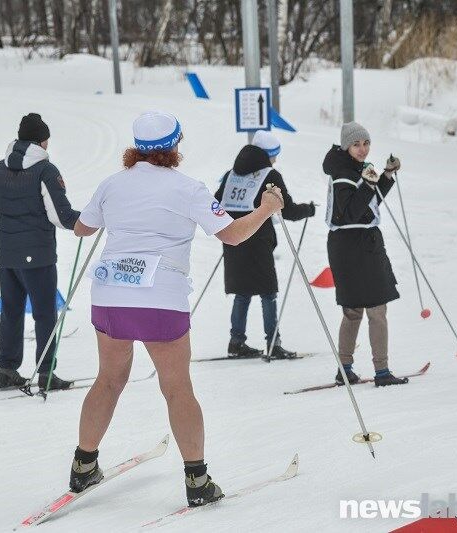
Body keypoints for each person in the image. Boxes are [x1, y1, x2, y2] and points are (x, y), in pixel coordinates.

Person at [70, 111, 284, 506]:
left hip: (110, 294)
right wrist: (267, 207)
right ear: (174, 147)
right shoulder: (188, 188)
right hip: (159, 298)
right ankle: (197, 481)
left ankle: (83, 466)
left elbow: (82, 228)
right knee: (177, 388)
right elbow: (233, 235)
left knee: (109, 380)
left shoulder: (112, 184)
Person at [0, 113, 80, 390]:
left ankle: (7, 368)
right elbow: (60, 215)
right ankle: (46, 372)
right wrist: (86, 222)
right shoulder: (45, 170)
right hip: (38, 254)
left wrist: (13, 230)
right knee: (44, 313)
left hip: (8, 254)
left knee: (11, 311)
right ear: (43, 141)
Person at [214, 131, 315, 360]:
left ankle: (236, 342)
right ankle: (273, 343)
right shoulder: (270, 175)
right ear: (267, 155)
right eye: (274, 155)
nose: (275, 160)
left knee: (242, 292)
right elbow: (286, 210)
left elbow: (217, 202)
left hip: (233, 239)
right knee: (268, 292)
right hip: (258, 242)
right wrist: (309, 209)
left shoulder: (231, 174)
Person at [322, 122, 408, 387]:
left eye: (366, 143)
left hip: (355, 244)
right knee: (374, 310)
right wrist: (368, 185)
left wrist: (386, 175)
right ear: (346, 146)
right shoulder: (343, 173)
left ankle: (344, 368)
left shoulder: (353, 169)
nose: (362, 149)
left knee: (355, 310)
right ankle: (381, 372)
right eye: (356, 144)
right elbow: (350, 213)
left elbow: (370, 201)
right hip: (355, 245)